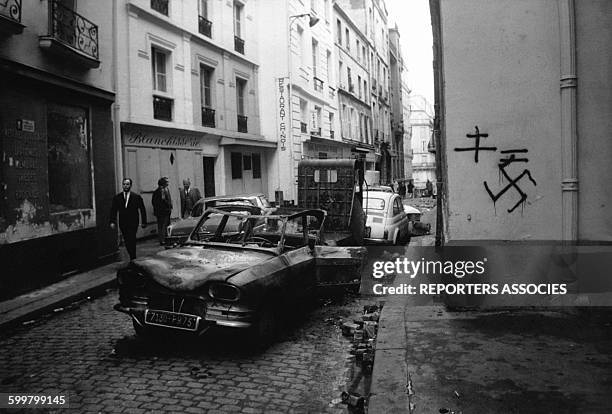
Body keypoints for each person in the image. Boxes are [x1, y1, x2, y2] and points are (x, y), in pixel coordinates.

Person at [110, 178, 147, 261]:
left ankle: (133, 257)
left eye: (127, 184)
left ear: (130, 185)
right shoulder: (117, 197)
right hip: (123, 223)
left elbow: (142, 209)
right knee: (126, 240)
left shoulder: (136, 197)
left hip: (133, 222)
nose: (125, 186)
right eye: (124, 184)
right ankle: (132, 255)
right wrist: (112, 221)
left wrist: (144, 222)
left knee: (132, 239)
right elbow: (113, 210)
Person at [152, 177, 173, 245]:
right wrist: (167, 205)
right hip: (162, 212)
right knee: (162, 226)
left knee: (165, 225)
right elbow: (160, 201)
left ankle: (165, 238)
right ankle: (163, 240)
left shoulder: (166, 190)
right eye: (166, 182)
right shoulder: (160, 191)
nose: (168, 183)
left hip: (166, 211)